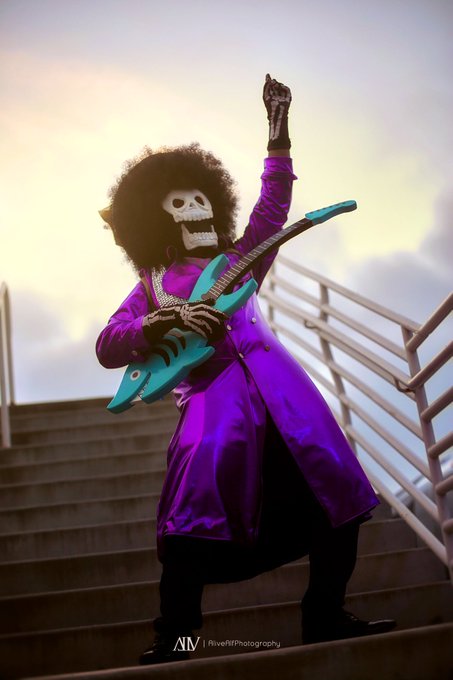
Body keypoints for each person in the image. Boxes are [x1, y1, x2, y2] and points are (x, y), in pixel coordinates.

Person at [96, 75, 395, 665]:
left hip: (286, 396)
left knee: (337, 491)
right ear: (155, 219)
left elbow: (272, 207)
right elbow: (109, 343)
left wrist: (278, 135)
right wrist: (160, 322)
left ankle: (325, 616)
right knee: (189, 522)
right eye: (178, 203)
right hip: (213, 411)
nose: (194, 207)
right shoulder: (151, 284)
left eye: (199, 198)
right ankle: (175, 639)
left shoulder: (242, 258)